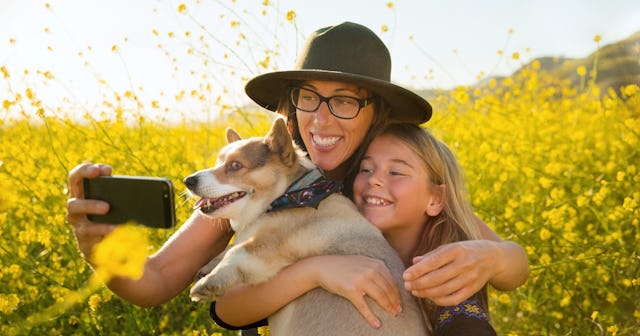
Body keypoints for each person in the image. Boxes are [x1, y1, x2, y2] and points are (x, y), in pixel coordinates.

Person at [66, 21, 528, 333]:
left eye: (344, 101)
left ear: (377, 113)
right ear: (291, 106)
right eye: (309, 98)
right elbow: (156, 281)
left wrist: (490, 258)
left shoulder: (389, 183)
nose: (322, 120)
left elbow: (511, 260)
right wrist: (98, 246)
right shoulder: (259, 183)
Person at [353, 123, 497, 335]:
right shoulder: (343, 242)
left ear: (435, 199)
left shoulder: (447, 276)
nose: (373, 179)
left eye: (396, 172)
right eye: (366, 169)